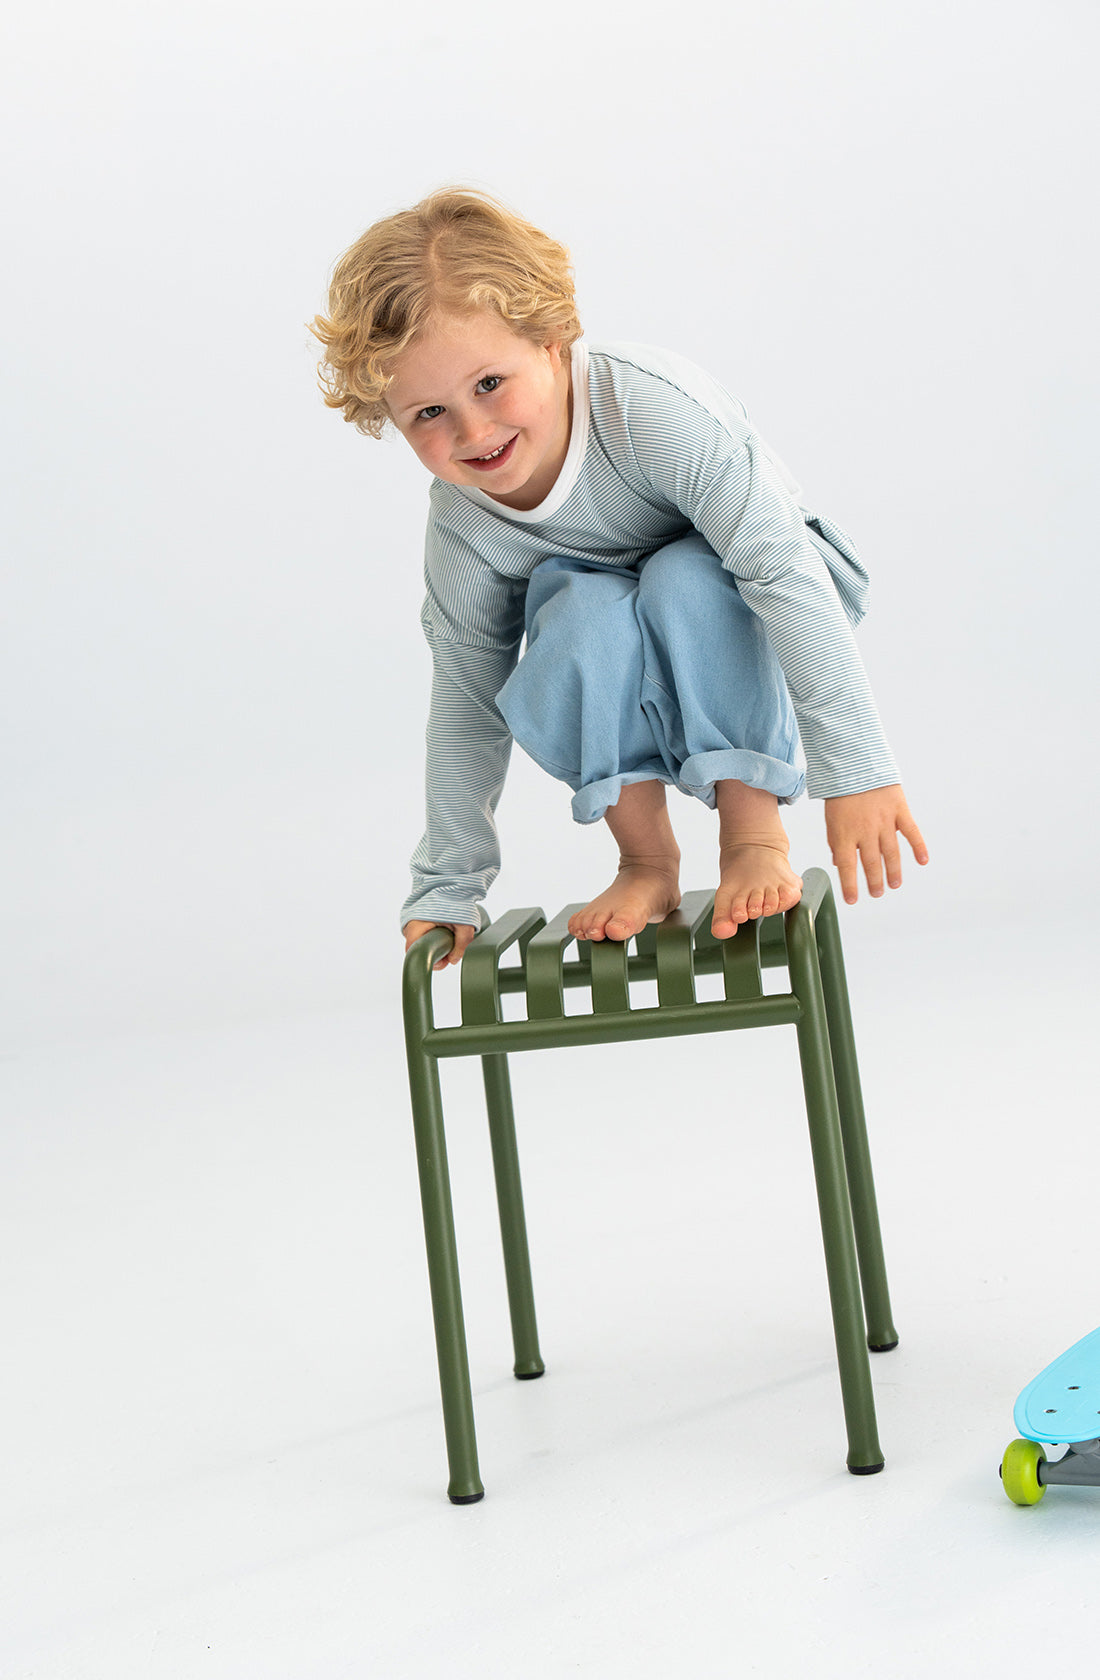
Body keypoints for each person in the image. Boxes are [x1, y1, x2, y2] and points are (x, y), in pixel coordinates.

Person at [312, 189, 927, 968]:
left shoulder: (653, 412)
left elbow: (783, 572)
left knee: (682, 574)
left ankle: (750, 833)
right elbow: (467, 699)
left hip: (751, 605)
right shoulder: (462, 525)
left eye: (490, 384)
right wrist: (447, 883)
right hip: (615, 639)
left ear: (553, 339)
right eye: (427, 414)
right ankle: (645, 861)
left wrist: (858, 771)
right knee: (578, 606)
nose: (471, 431)